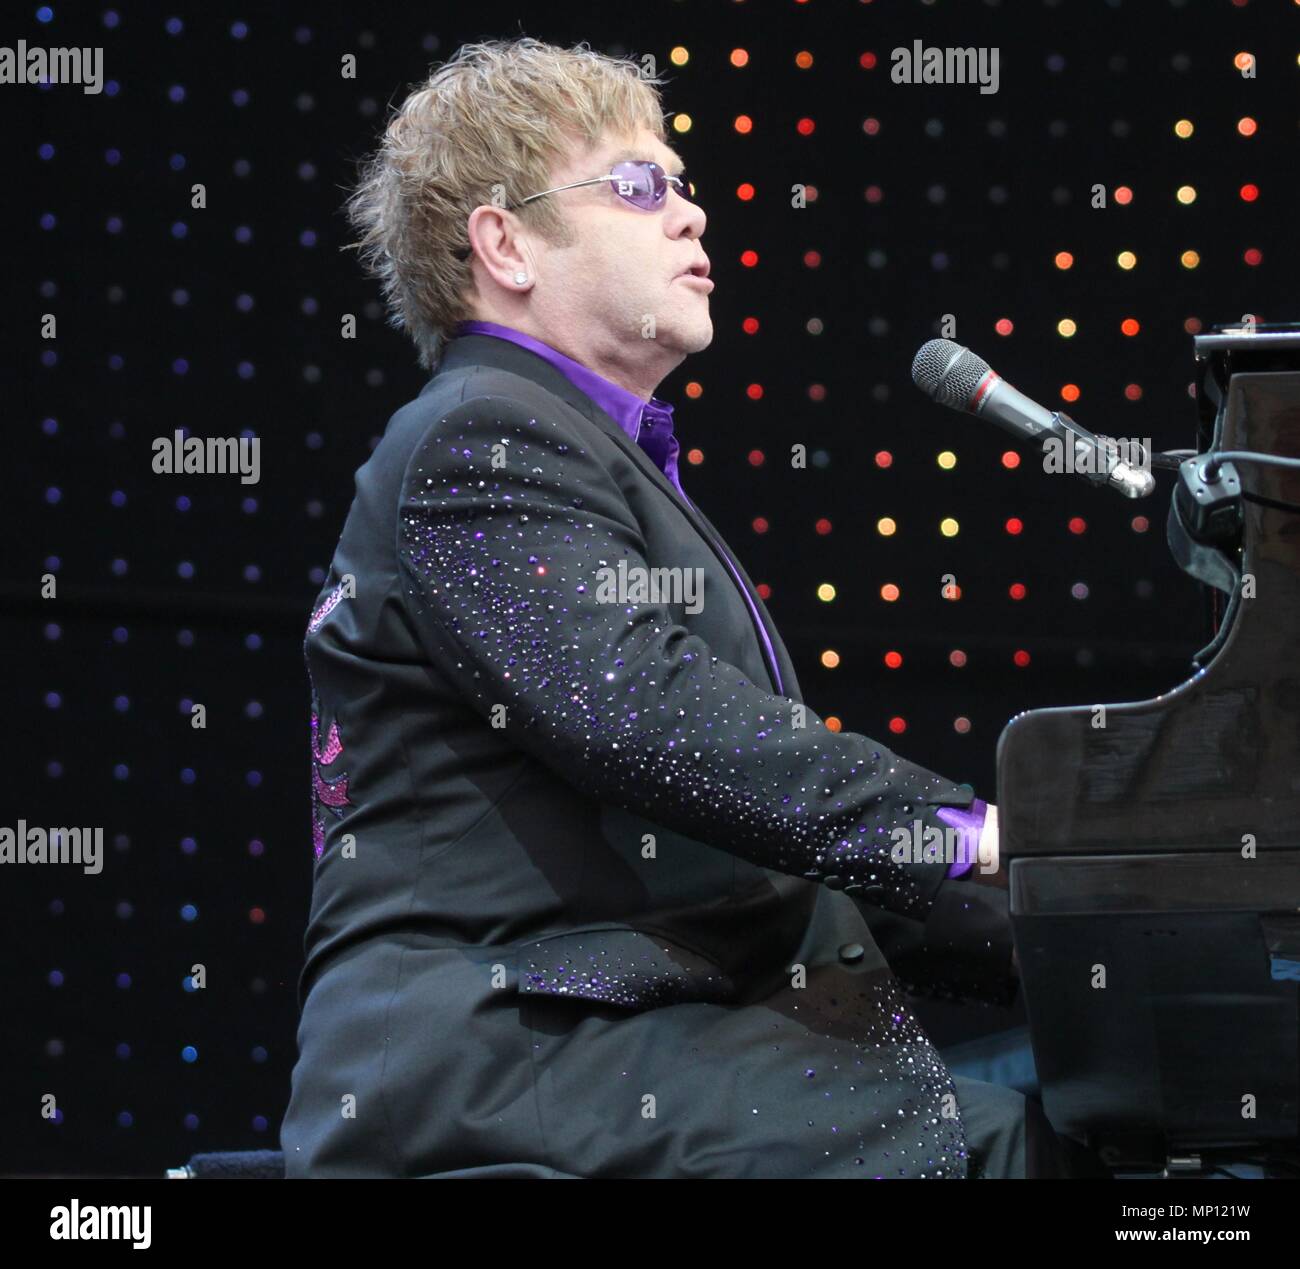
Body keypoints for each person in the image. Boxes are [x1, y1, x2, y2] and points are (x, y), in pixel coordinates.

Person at [281, 36, 1100, 1179]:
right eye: (637, 184)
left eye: (684, 183)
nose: (691, 214)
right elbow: (651, 720)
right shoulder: (478, 441)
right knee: (1045, 1161)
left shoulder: (576, 459)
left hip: (631, 1039)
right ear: (504, 242)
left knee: (1126, 1142)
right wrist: (970, 831)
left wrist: (1095, 931)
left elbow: (774, 851)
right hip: (517, 1054)